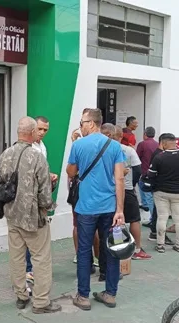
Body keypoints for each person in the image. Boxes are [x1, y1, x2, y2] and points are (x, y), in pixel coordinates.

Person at [0, 116, 61, 314]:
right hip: (33, 218)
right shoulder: (36, 157)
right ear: (32, 133)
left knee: (16, 258)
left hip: (12, 215)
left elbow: (0, 184)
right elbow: (44, 191)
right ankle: (41, 302)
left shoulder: (5, 155)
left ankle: (21, 296)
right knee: (41, 257)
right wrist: (47, 207)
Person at [67, 108, 125, 310]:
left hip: (86, 207)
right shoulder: (116, 146)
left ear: (91, 123)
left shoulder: (79, 145)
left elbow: (71, 171)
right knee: (112, 250)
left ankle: (83, 296)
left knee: (84, 251)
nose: (80, 126)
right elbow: (119, 178)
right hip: (110, 207)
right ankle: (110, 293)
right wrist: (120, 209)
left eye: (82, 122)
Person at [108, 125, 151, 260]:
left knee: (114, 221)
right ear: (121, 136)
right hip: (126, 188)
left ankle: (116, 248)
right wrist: (132, 184)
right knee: (134, 219)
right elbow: (137, 170)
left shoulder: (104, 149)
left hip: (109, 191)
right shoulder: (128, 150)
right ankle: (136, 249)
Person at [146, 133, 179, 253]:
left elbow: (151, 175)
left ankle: (160, 245)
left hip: (161, 192)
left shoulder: (159, 157)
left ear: (164, 143)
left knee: (162, 218)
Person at [26, 116, 59, 283]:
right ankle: (28, 269)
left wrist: (49, 176)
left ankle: (32, 268)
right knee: (29, 233)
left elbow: (41, 170)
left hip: (41, 197)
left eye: (45, 130)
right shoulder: (27, 147)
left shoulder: (41, 146)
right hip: (29, 199)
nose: (42, 133)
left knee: (38, 234)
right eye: (40, 129)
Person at [136, 126, 159, 216]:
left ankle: (151, 216)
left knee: (147, 196)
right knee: (153, 196)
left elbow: (137, 158)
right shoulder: (157, 144)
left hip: (145, 172)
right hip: (155, 173)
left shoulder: (142, 144)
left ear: (145, 134)